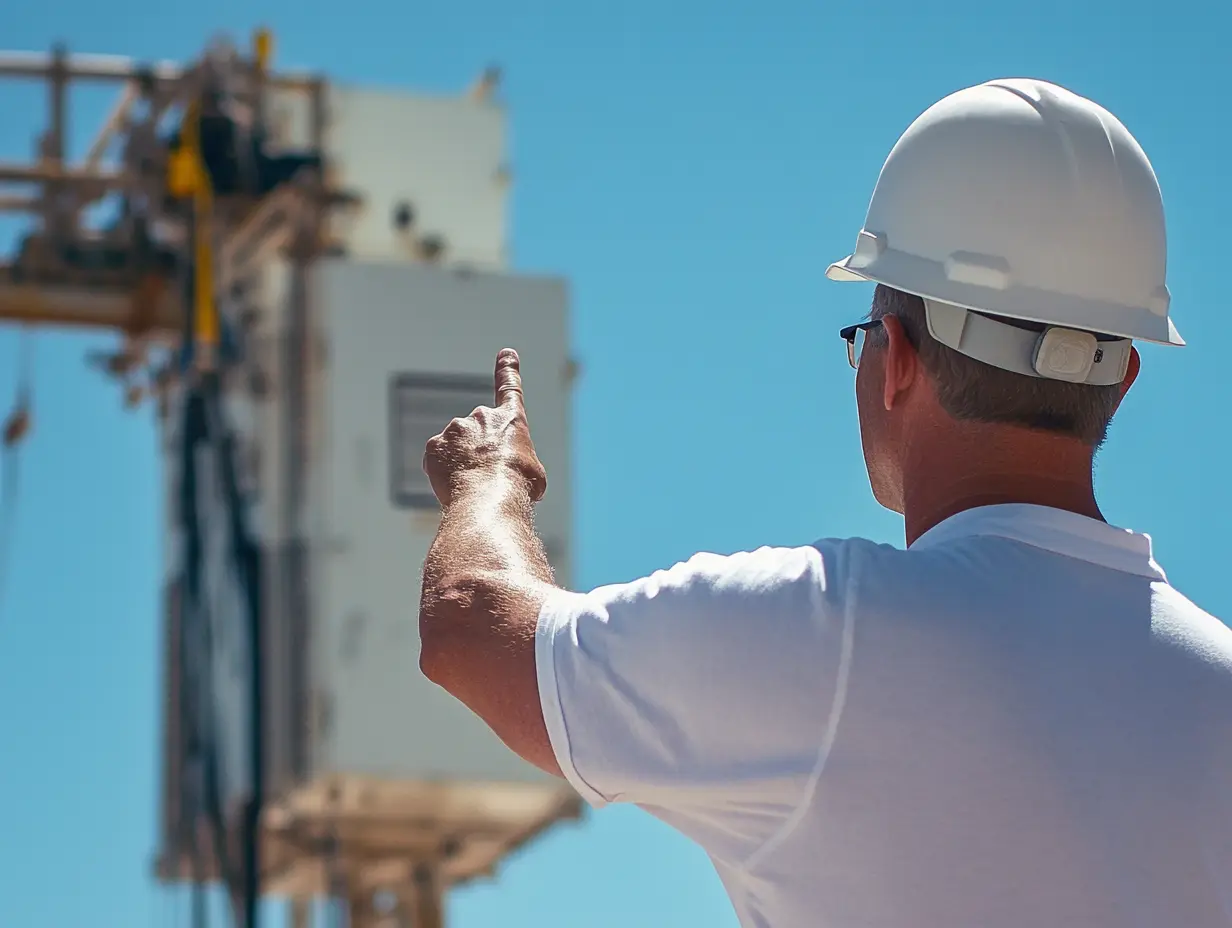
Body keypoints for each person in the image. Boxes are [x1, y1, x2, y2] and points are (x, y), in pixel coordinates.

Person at [418, 78, 1232, 928]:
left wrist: (487, 478)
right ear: (1124, 377)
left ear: (899, 360)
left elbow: (470, 626)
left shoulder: (819, 629)